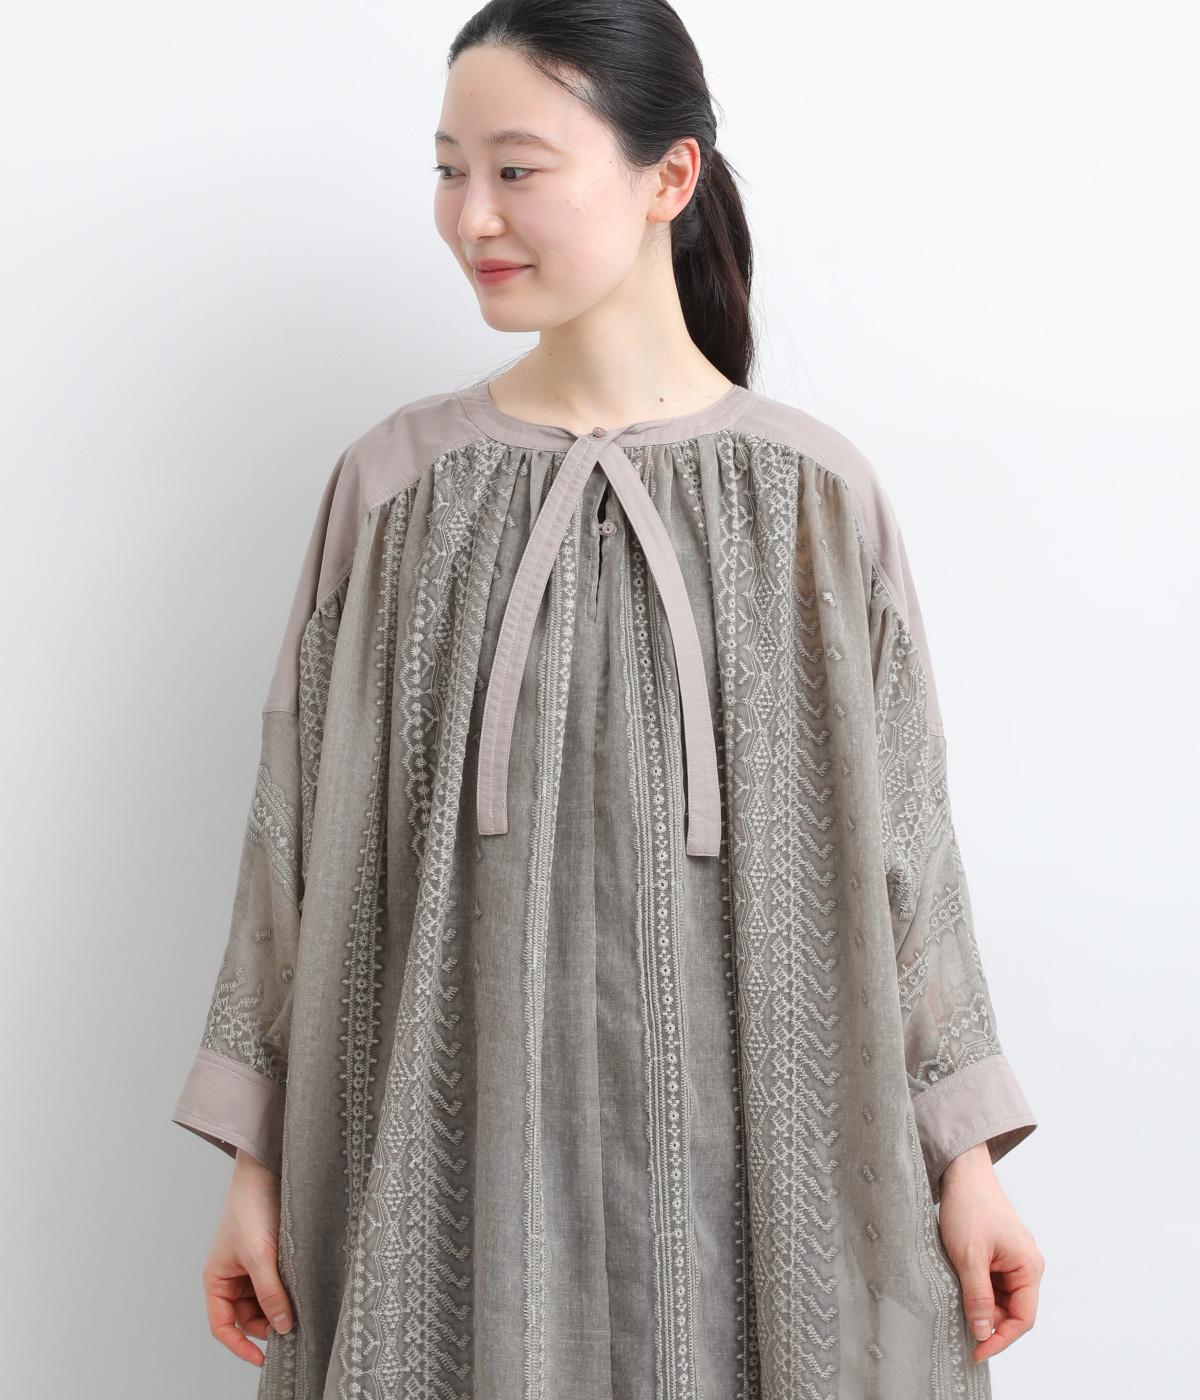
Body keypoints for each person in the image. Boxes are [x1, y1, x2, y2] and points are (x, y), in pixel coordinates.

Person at [170, 3, 1043, 1396]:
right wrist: (255, 1162)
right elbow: (296, 846)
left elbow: (910, 862)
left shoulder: (816, 499)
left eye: (517, 169)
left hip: (777, 1185)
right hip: (444, 1190)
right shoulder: (392, 491)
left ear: (668, 176)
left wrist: (968, 1159)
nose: (471, 216)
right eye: (448, 169)